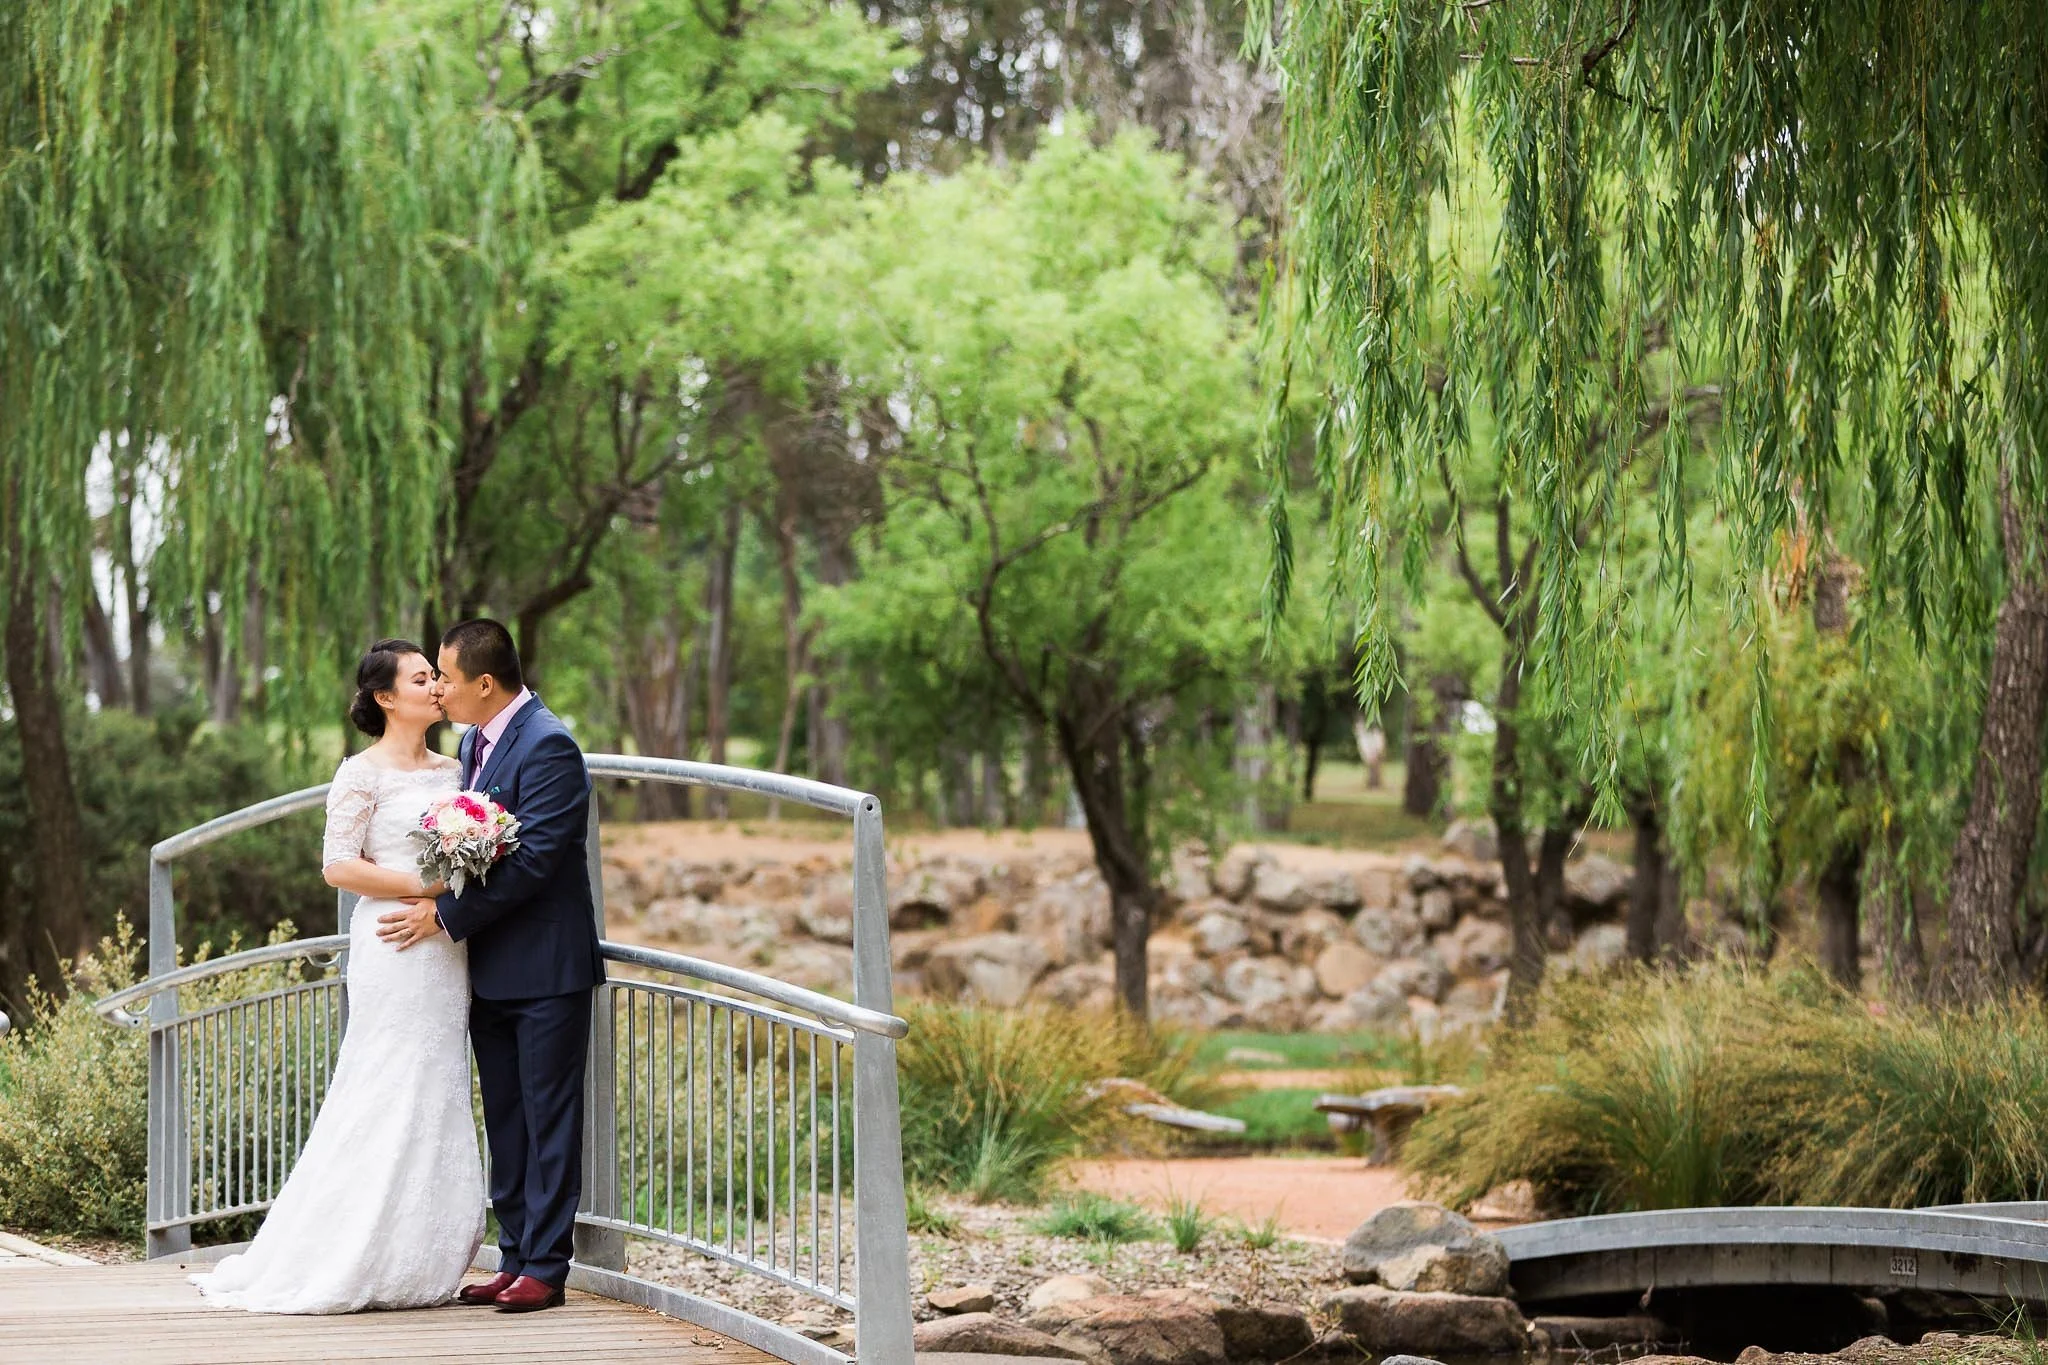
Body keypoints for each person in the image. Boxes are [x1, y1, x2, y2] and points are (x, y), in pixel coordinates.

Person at [192, 640, 484, 1312]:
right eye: (421, 677)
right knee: (382, 1075)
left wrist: (454, 886)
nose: (436, 686)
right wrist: (425, 884)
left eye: (437, 676)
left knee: (435, 1079)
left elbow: (477, 844)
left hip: (443, 944)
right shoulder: (361, 773)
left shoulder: (458, 767)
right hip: (391, 940)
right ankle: (350, 1245)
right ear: (386, 697)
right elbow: (337, 866)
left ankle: (422, 1249)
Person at [375, 618, 605, 1314]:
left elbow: (534, 859)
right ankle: (513, 1253)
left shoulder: (551, 746)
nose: (438, 687)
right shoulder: (474, 740)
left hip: (547, 966)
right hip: (490, 965)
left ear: (483, 681)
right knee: (506, 1114)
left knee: (548, 1115)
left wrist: (444, 916)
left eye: (444, 675)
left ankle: (546, 1264)